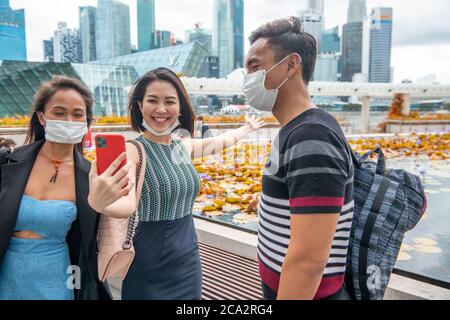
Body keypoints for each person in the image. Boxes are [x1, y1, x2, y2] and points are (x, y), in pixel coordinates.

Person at [87, 67, 267, 300]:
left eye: (169, 101)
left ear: (180, 108)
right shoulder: (133, 151)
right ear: (140, 106)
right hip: (148, 262)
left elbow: (220, 141)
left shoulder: (182, 146)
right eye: (153, 100)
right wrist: (99, 202)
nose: (161, 109)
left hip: (188, 259)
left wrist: (246, 128)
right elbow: (127, 205)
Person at [242, 17, 354, 300]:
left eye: (255, 66)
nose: (248, 77)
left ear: (291, 65)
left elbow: (308, 262)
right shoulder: (296, 129)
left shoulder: (312, 136)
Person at [0, 76, 112, 300]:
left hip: (57, 276)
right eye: (59, 113)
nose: (69, 120)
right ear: (42, 117)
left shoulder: (91, 176)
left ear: (87, 122)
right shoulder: (8, 162)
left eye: (78, 114)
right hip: (7, 272)